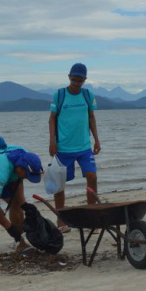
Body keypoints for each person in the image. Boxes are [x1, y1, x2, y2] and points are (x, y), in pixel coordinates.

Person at [49, 63, 101, 232]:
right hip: (63, 148)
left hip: (84, 147)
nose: (77, 83)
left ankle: (92, 217)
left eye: (80, 80)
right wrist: (52, 142)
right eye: (74, 79)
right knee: (59, 183)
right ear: (69, 77)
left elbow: (91, 117)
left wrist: (97, 140)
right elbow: (52, 119)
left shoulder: (87, 95)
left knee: (92, 176)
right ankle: (61, 220)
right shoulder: (59, 95)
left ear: (85, 80)